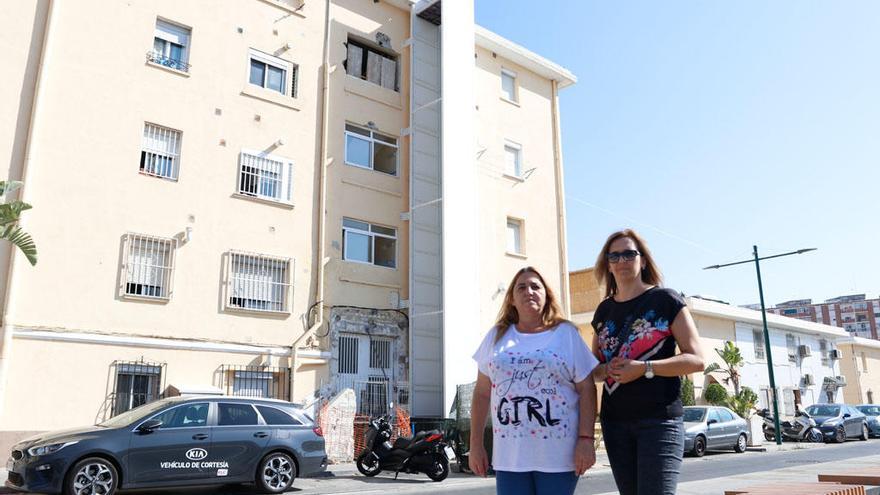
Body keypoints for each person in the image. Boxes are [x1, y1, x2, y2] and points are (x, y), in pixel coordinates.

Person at [591, 229, 705, 495]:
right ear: (607, 265)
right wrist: (606, 369)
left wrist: (645, 368)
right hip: (615, 423)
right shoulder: (604, 311)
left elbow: (696, 359)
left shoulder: (666, 300)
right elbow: (593, 369)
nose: (622, 261)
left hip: (658, 421)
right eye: (614, 256)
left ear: (642, 260)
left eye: (629, 254)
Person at [470, 266, 599, 495]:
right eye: (521, 287)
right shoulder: (496, 336)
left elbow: (587, 389)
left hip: (558, 457)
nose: (529, 291)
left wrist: (586, 439)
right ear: (511, 298)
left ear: (546, 295)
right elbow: (481, 393)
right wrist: (476, 444)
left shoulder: (566, 334)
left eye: (535, 286)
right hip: (510, 458)